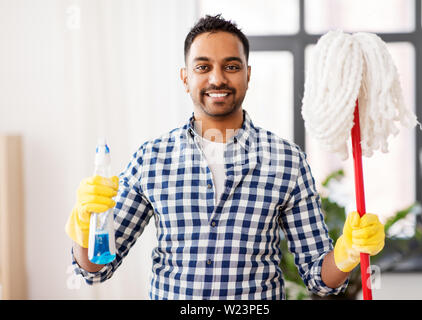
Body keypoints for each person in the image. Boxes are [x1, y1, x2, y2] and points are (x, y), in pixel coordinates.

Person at [65, 14, 385, 300]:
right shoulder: (151, 159)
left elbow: (320, 279)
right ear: (185, 77)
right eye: (203, 67)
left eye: (231, 66)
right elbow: (96, 268)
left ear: (248, 74)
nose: (217, 79)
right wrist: (85, 226)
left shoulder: (287, 161)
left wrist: (347, 252)